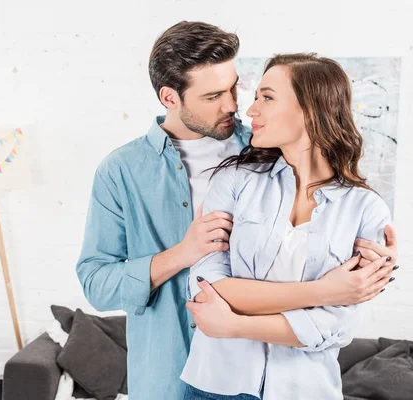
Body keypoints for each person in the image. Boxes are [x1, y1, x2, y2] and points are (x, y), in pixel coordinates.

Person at [76, 22, 398, 400]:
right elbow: (97, 284)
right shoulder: (122, 171)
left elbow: (339, 216)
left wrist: (375, 268)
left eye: (234, 87)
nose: (233, 105)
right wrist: (181, 254)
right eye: (213, 96)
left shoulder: (266, 149)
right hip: (167, 376)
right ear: (170, 97)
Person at [182, 53, 397, 400]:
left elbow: (336, 325)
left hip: (307, 390)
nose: (251, 111)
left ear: (311, 108)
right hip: (215, 386)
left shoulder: (365, 209)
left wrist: (236, 324)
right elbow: (207, 287)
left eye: (266, 97)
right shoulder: (234, 182)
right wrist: (325, 291)